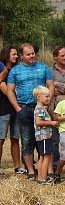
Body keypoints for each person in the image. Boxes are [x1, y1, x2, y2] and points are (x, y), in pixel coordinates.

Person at [6, 43, 55, 177]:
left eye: (33, 53)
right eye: (28, 54)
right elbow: (10, 90)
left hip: (41, 108)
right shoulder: (15, 71)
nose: (32, 56)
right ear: (22, 56)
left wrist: (47, 103)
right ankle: (31, 171)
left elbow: (51, 86)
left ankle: (48, 171)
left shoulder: (43, 67)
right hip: (25, 108)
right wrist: (17, 108)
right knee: (27, 139)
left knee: (45, 138)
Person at [0, 46, 23, 174]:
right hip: (3, 110)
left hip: (16, 109)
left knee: (15, 138)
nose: (16, 56)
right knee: (1, 139)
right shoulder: (2, 70)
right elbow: (6, 91)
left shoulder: (17, 70)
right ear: (7, 54)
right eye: (13, 54)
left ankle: (17, 166)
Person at [33, 85, 58, 185]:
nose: (48, 98)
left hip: (43, 136)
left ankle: (41, 178)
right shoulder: (39, 109)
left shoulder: (41, 108)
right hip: (44, 136)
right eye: (46, 96)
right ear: (38, 97)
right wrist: (51, 123)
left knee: (43, 157)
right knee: (46, 157)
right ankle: (42, 179)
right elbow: (38, 122)